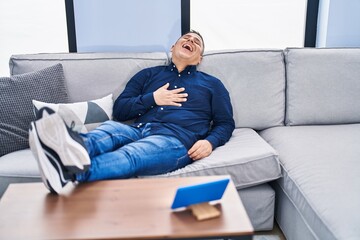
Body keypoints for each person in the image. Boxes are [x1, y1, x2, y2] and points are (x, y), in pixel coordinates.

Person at [29, 30, 235, 194]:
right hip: (137, 129)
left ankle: (68, 172)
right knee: (110, 129)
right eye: (186, 37)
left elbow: (225, 123)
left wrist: (210, 142)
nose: (191, 40)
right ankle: (68, 145)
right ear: (173, 47)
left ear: (199, 58)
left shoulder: (212, 85)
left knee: (131, 155)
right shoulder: (147, 75)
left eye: (197, 42)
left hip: (175, 140)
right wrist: (153, 98)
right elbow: (120, 110)